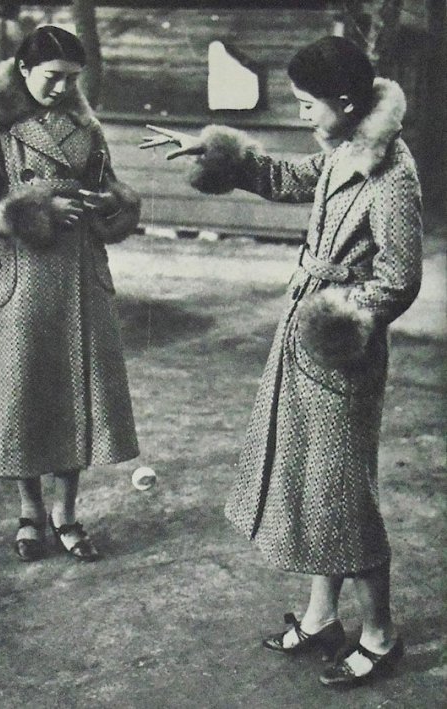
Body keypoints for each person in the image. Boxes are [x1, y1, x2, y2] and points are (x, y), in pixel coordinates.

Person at [140, 36, 422, 687]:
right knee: (316, 483)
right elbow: (293, 177)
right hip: (305, 333)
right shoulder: (344, 147)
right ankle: (324, 616)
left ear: (346, 102)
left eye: (305, 104)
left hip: (339, 348)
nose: (300, 115)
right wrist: (221, 156)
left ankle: (379, 633)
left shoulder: (391, 173)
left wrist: (339, 318)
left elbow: (400, 279)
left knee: (346, 495)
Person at [0, 26, 141, 563]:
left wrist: (110, 205)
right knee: (24, 396)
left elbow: (113, 189)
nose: (62, 88)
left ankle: (67, 512)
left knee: (73, 392)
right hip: (21, 280)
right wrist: (38, 210)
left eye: (71, 79)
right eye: (52, 77)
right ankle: (29, 512)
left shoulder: (87, 126)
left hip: (80, 275)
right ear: (23, 70)